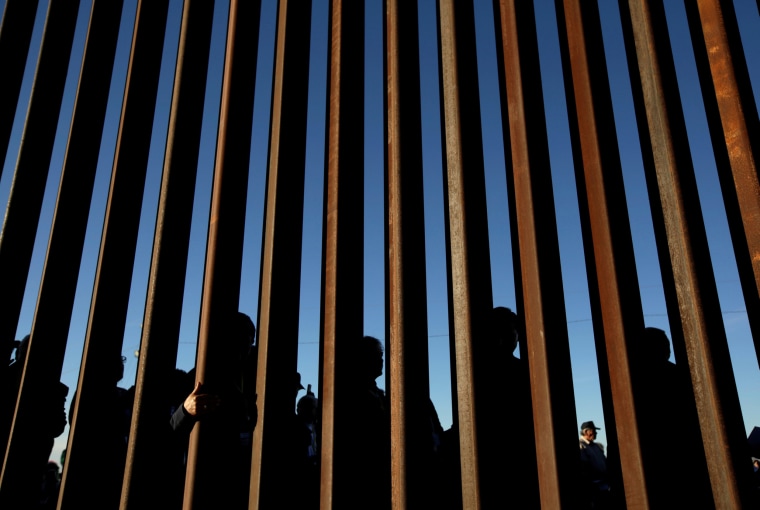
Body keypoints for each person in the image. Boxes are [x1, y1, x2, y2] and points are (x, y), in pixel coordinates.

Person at [579, 421, 610, 509]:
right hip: (594, 489)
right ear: (586, 432)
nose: (596, 433)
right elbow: (584, 469)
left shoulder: (597, 446)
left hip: (605, 486)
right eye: (593, 430)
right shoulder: (581, 446)